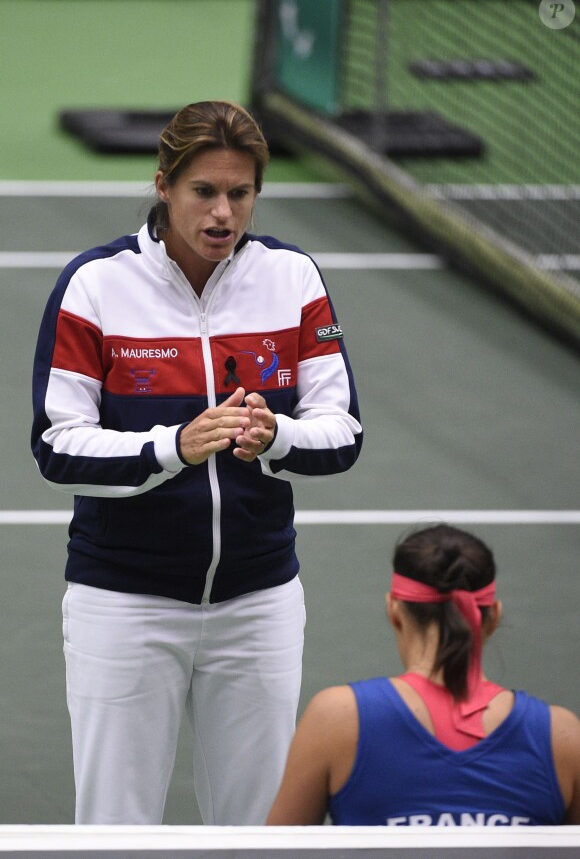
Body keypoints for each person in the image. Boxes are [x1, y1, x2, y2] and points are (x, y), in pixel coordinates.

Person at [31, 100, 363, 825]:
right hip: (124, 603)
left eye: (239, 194)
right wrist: (170, 447)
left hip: (259, 602)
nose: (222, 214)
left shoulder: (294, 279)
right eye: (203, 192)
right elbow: (57, 444)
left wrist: (276, 435)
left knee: (259, 831)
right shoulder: (95, 286)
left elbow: (342, 431)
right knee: (115, 831)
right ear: (163, 185)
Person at [267, 524, 580, 826]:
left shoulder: (337, 719)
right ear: (493, 616)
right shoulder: (562, 737)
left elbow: (272, 856)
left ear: (394, 610)